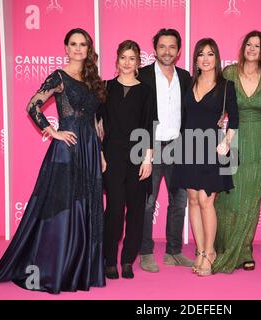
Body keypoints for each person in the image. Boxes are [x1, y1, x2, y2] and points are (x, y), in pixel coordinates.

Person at [0, 28, 107, 293]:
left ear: (89, 49)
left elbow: (93, 119)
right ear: (66, 48)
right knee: (64, 207)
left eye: (83, 45)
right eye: (73, 44)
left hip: (90, 149)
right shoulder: (59, 76)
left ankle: (81, 268)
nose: (78, 49)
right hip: (68, 149)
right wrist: (53, 131)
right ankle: (58, 267)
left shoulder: (92, 80)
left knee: (87, 206)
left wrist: (99, 152)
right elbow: (32, 105)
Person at [173, 38, 239, 276]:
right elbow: (182, 118)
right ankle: (200, 251)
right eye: (201, 54)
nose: (205, 59)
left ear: (217, 58)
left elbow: (235, 120)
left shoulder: (226, 86)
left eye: (210, 54)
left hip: (212, 147)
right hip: (188, 146)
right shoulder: (188, 84)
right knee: (192, 198)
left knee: (206, 200)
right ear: (196, 59)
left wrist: (227, 143)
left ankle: (210, 252)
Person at [212, 30, 261, 274]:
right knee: (228, 197)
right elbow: (217, 104)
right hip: (232, 140)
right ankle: (222, 245)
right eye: (248, 44)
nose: (252, 49)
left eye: (257, 45)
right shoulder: (229, 73)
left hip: (260, 144)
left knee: (250, 201)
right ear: (243, 47)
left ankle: (244, 250)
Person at [137, 28, 193, 273]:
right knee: (147, 204)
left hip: (178, 146)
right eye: (162, 46)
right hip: (150, 146)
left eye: (172, 47)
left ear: (178, 51)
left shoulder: (185, 76)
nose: (167, 51)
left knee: (179, 201)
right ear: (155, 49)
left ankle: (174, 251)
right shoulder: (143, 75)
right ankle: (145, 252)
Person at [99, 40, 153, 280]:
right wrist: (100, 155)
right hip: (111, 157)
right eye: (123, 57)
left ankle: (128, 260)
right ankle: (110, 260)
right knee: (114, 210)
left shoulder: (146, 91)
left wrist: (148, 159)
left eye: (132, 58)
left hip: (138, 156)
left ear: (138, 62)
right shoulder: (104, 88)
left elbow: (150, 126)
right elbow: (95, 124)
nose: (127, 62)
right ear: (117, 60)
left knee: (136, 211)